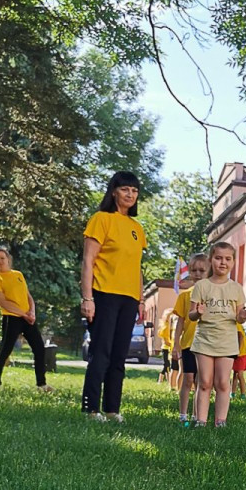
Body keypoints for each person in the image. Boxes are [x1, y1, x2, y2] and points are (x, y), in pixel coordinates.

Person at [80, 171, 147, 421]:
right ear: (114, 192)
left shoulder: (136, 228)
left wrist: (140, 299)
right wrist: (87, 298)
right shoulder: (101, 219)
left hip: (129, 298)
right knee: (101, 352)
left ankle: (112, 409)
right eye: (125, 189)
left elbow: (137, 267)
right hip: (104, 294)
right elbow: (88, 261)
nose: (130, 194)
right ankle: (90, 408)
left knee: (119, 355)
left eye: (134, 190)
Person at [189, 242, 246, 428]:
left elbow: (239, 317)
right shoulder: (201, 286)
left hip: (227, 341)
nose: (223, 262)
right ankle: (201, 421)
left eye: (227, 259)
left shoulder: (236, 288)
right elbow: (191, 315)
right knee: (205, 382)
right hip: (205, 340)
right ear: (211, 260)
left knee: (223, 382)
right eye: (218, 258)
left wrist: (242, 316)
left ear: (233, 262)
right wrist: (198, 312)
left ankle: (220, 421)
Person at [0, 247, 52, 392]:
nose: (0, 261)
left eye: (2, 258)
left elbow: (28, 296)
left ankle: (42, 384)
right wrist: (23, 314)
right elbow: (2, 302)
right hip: (12, 318)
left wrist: (32, 312)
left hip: (27, 318)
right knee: (5, 351)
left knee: (39, 349)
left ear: (8, 259)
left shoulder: (18, 274)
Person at [171, 252, 208, 425]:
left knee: (202, 381)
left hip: (206, 345)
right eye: (194, 270)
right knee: (188, 379)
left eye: (202, 270)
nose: (198, 274)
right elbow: (180, 322)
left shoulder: (212, 295)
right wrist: (176, 344)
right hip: (188, 344)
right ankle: (183, 414)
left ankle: (196, 414)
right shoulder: (185, 296)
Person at [232, 321, 246, 401]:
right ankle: (232, 393)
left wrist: (238, 351)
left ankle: (243, 394)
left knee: (239, 374)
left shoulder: (236, 324)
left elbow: (240, 336)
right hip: (238, 352)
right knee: (235, 373)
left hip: (242, 353)